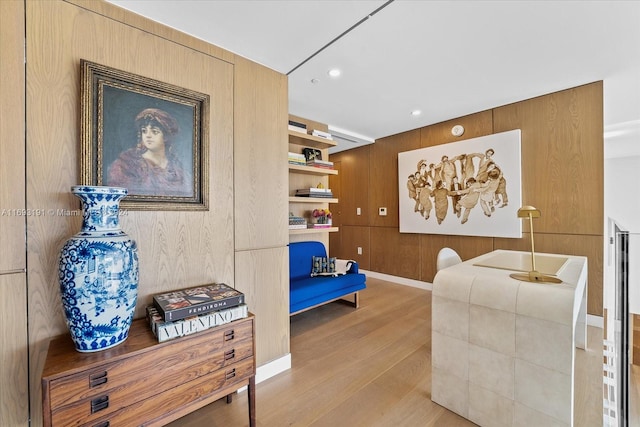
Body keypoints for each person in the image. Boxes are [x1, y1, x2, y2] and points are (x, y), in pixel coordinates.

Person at [107, 108, 191, 197]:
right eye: (144, 131)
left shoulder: (178, 170)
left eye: (154, 131)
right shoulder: (127, 164)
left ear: (166, 137)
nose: (148, 136)